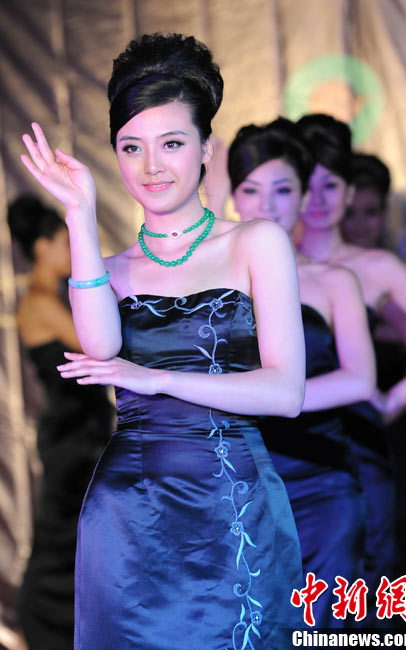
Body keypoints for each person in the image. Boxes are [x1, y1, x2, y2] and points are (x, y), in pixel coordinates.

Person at [20, 33, 306, 649]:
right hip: (128, 514)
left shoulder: (255, 243)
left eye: (172, 143)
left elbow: (286, 393)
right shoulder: (109, 269)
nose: (151, 166)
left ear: (206, 149)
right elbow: (101, 349)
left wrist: (158, 378)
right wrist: (79, 214)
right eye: (132, 147)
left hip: (232, 503)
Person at [227, 118, 375, 627]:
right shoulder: (212, 288)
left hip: (320, 480)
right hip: (240, 485)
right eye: (251, 189)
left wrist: (274, 394)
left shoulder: (333, 281)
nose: (267, 205)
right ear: (232, 197)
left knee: (325, 627)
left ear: (303, 196)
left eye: (283, 189)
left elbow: (360, 379)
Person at [297, 113, 406, 626]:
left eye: (331, 185)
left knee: (367, 588)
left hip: (360, 450)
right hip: (290, 449)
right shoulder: (269, 260)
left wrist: (391, 401)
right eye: (307, 184)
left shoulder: (377, 267)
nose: (318, 199)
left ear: (349, 191)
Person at [6, 194, 113, 650]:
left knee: (84, 536)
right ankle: (43, 621)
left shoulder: (52, 297)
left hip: (84, 432)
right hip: (71, 437)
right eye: (66, 242)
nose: (73, 251)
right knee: (65, 534)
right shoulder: (38, 302)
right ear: (42, 247)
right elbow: (96, 344)